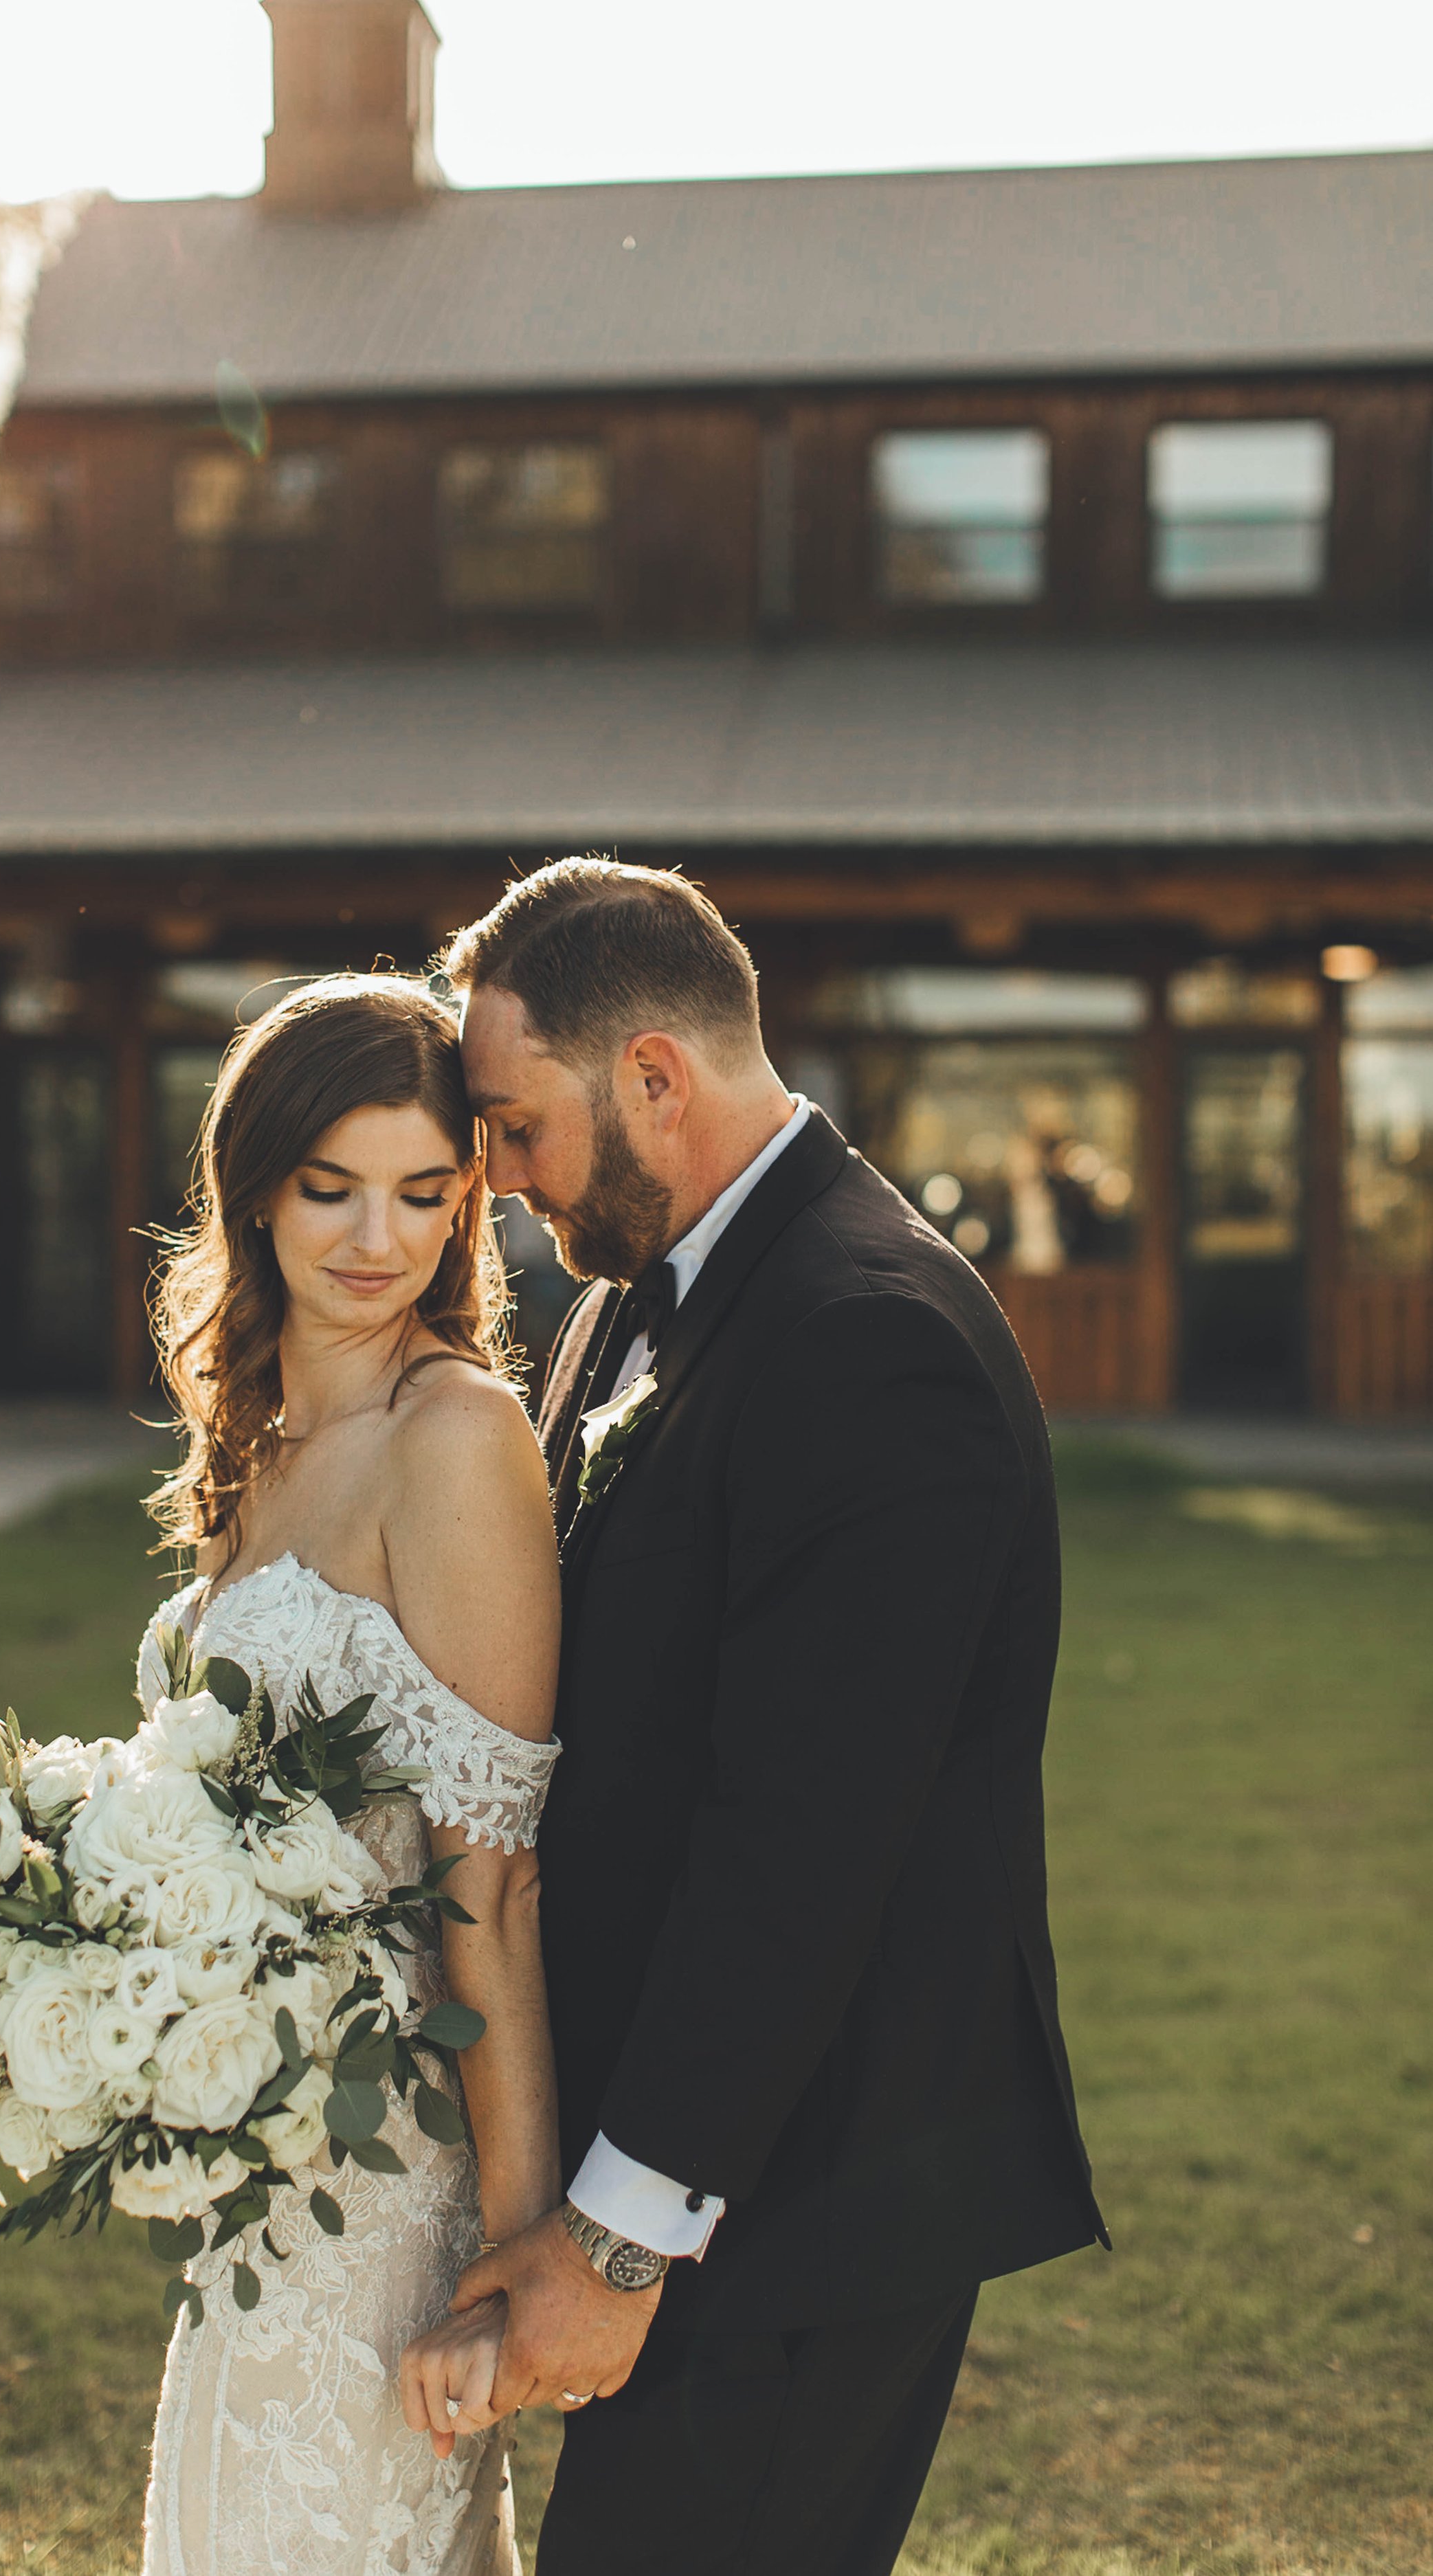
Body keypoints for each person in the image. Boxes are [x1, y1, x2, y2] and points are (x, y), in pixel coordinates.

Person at [412, 858, 1108, 2576]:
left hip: (803, 2193)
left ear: (653, 1075)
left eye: (511, 1132)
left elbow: (798, 1846)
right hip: (697, 2153)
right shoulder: (627, 1303)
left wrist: (621, 2240)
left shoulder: (868, 1339)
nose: (494, 1186)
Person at [138, 976, 564, 2576]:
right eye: (331, 1188)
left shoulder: (451, 1432)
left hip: (390, 2186)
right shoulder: (256, 1436)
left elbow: (496, 1875)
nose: (376, 1240)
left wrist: (521, 2260)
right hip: (255, 2177)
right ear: (254, 1186)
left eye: (422, 1193)